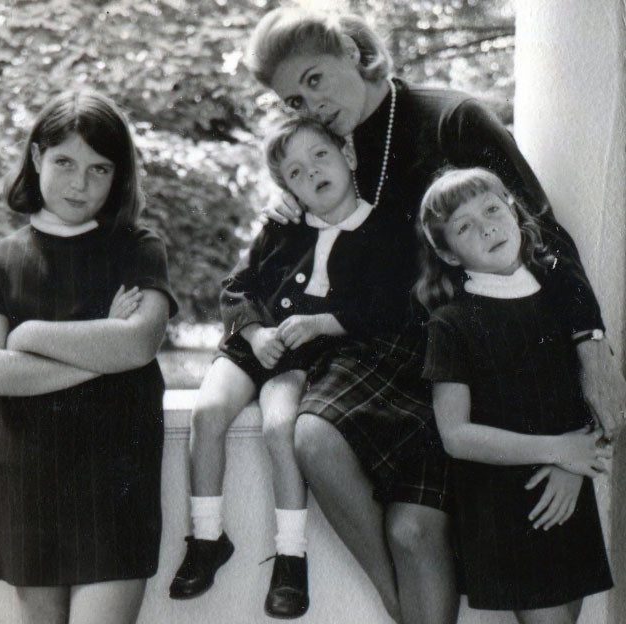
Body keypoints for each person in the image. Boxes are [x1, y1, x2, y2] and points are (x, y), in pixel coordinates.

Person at [244, 7, 625, 624]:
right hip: (380, 352)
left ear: (350, 50)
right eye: (293, 100)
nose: (309, 106)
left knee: (415, 532)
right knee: (312, 438)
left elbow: (541, 237)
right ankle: (404, 610)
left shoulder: (451, 119)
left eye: (315, 79)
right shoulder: (321, 155)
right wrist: (291, 211)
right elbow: (290, 266)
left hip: (465, 360)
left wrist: (589, 341)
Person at [169, 117, 411, 619]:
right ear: (288, 189)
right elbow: (237, 286)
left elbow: (386, 307)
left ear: (348, 156)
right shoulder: (282, 226)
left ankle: (290, 555)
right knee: (207, 414)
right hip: (253, 341)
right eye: (296, 172)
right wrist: (254, 332)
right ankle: (207, 536)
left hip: (303, 353)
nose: (312, 173)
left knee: (282, 426)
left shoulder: (383, 230)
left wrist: (325, 322)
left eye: (320, 156)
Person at [0, 90, 176, 624]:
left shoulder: (138, 246)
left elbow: (138, 344)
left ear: (118, 176)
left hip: (116, 483)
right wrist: (100, 347)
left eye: (99, 169)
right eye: (64, 162)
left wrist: (30, 333)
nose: (80, 184)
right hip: (29, 484)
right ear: (36, 158)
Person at [417, 167, 614, 622]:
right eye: (464, 226)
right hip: (505, 507)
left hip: (567, 491)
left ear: (514, 211)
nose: (486, 226)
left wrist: (573, 465)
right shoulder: (451, 323)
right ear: (447, 253)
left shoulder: (562, 294)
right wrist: (560, 451)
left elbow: (595, 392)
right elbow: (456, 435)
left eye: (491, 209)